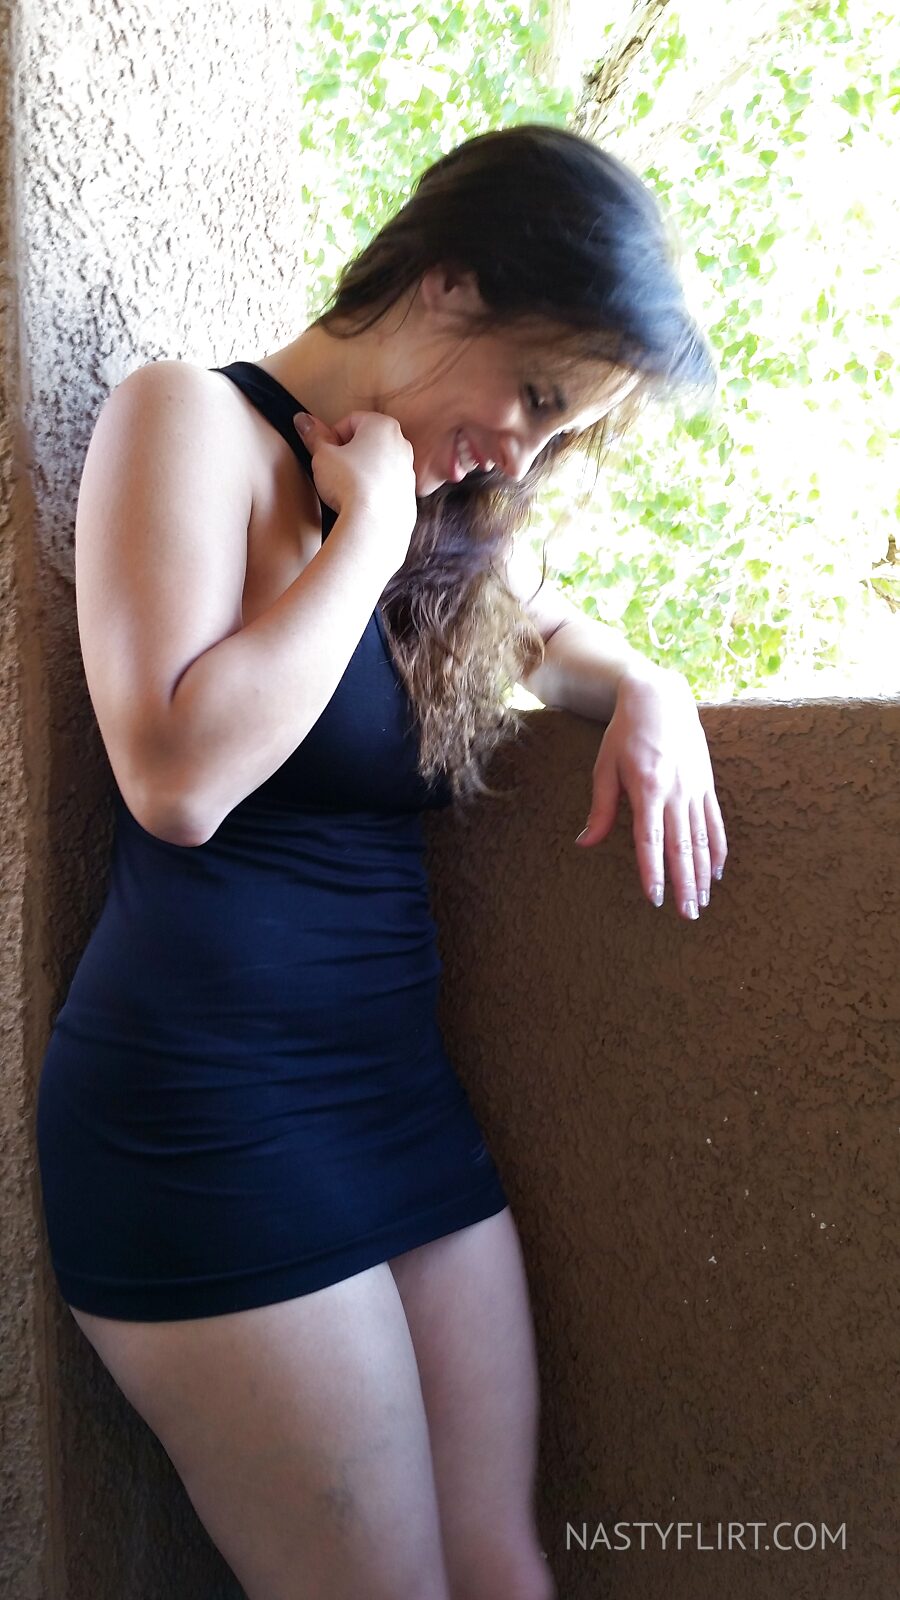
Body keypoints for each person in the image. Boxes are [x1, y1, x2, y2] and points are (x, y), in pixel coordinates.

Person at [35, 122, 727, 1600]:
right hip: (202, 1118)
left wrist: (652, 688)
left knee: (503, 1570)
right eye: (535, 396)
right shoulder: (187, 423)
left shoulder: (439, 511)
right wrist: (367, 542)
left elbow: (551, 639)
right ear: (449, 283)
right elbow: (175, 778)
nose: (523, 452)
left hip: (391, 1103)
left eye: (561, 430)